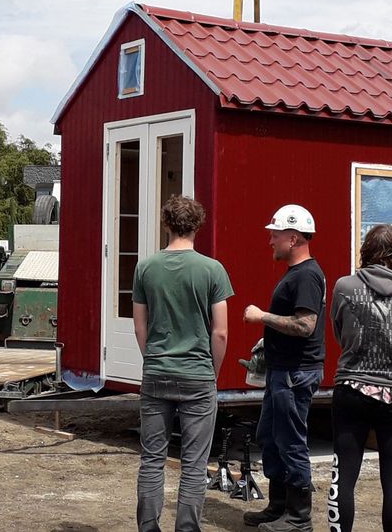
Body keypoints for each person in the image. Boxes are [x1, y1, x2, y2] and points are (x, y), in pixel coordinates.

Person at [133, 195, 234, 532]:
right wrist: (213, 373)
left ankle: (148, 527)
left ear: (166, 224)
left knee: (152, 460)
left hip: (157, 372)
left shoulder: (145, 267)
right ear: (197, 226)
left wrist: (153, 360)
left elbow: (139, 326)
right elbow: (220, 333)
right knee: (193, 464)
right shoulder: (212, 269)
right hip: (197, 376)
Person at [328, 224, 392, 532]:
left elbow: (338, 332)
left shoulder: (344, 286)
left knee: (343, 476)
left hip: (353, 387)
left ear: (365, 251)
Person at [242, 204, 326, 532]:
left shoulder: (306, 275)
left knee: (290, 441)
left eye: (274, 235)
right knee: (270, 436)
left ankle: (298, 518)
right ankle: (279, 507)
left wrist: (262, 317)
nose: (270, 241)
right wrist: (268, 342)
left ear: (293, 238)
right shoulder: (298, 274)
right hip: (283, 370)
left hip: (294, 373)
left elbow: (306, 325)